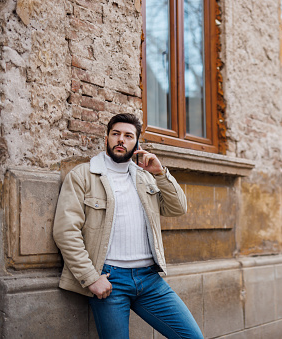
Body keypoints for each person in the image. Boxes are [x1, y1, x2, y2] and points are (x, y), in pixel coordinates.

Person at [53, 113, 203, 339]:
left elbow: (178, 208)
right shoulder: (83, 175)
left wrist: (160, 173)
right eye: (116, 134)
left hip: (150, 280)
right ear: (107, 139)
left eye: (128, 136)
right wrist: (91, 277)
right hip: (110, 281)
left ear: (137, 143)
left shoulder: (146, 178)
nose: (121, 140)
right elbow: (66, 231)